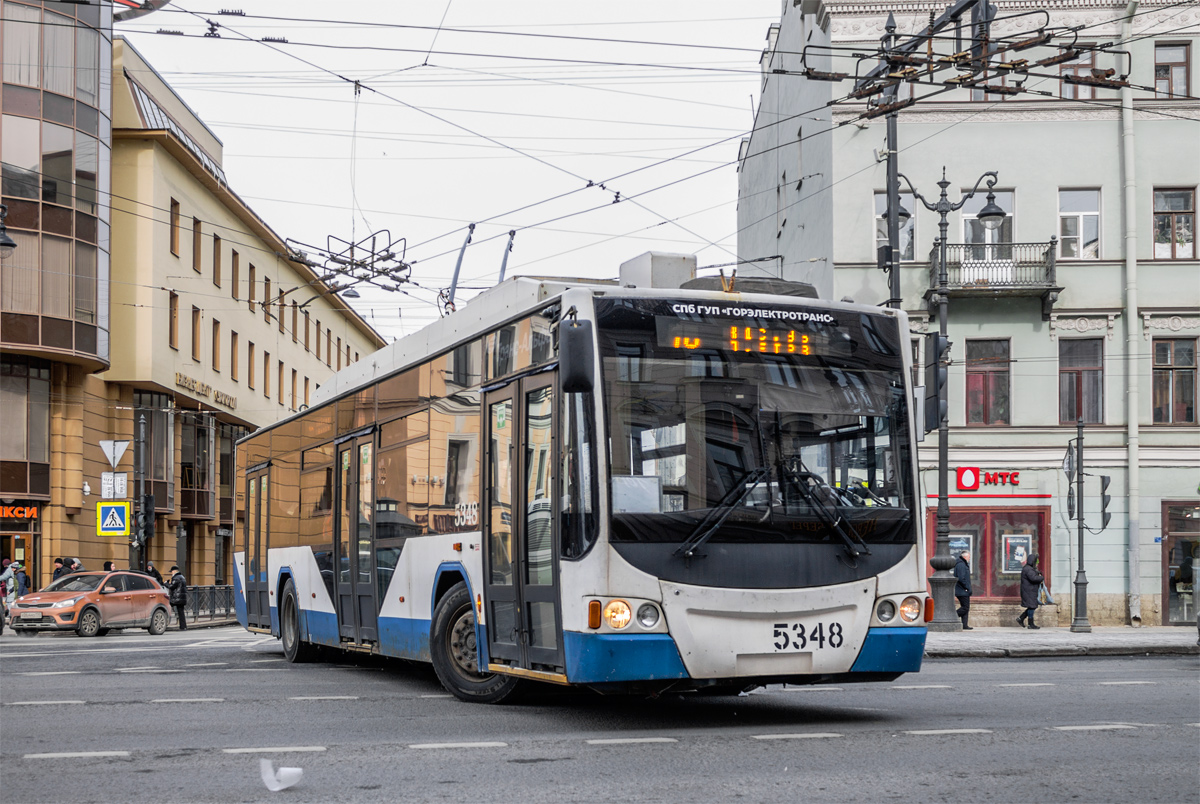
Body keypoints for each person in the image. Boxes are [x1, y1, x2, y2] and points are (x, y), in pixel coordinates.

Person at [1017, 552, 1045, 629]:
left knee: (1032, 606)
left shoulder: (1028, 569)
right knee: (1032, 606)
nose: (1037, 564)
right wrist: (1041, 578)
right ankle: (1030, 623)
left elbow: (1033, 575)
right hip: (1029, 591)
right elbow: (1033, 578)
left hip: (1030, 591)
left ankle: (1021, 618)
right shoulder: (1028, 569)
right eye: (1036, 562)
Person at [953, 550, 973, 630]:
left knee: (965, 607)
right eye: (969, 556)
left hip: (963, 590)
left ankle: (964, 625)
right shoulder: (961, 564)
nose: (969, 558)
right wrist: (967, 587)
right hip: (962, 590)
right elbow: (961, 578)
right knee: (965, 607)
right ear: (965, 557)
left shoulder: (962, 563)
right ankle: (953, 616)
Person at [167, 566, 188, 631]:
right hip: (182, 597)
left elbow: (172, 586)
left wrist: (166, 584)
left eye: (171, 572)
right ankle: (183, 626)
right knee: (181, 612)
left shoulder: (176, 578)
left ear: (174, 571)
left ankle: (166, 624)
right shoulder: (182, 577)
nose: (171, 573)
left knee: (167, 607)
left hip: (177, 598)